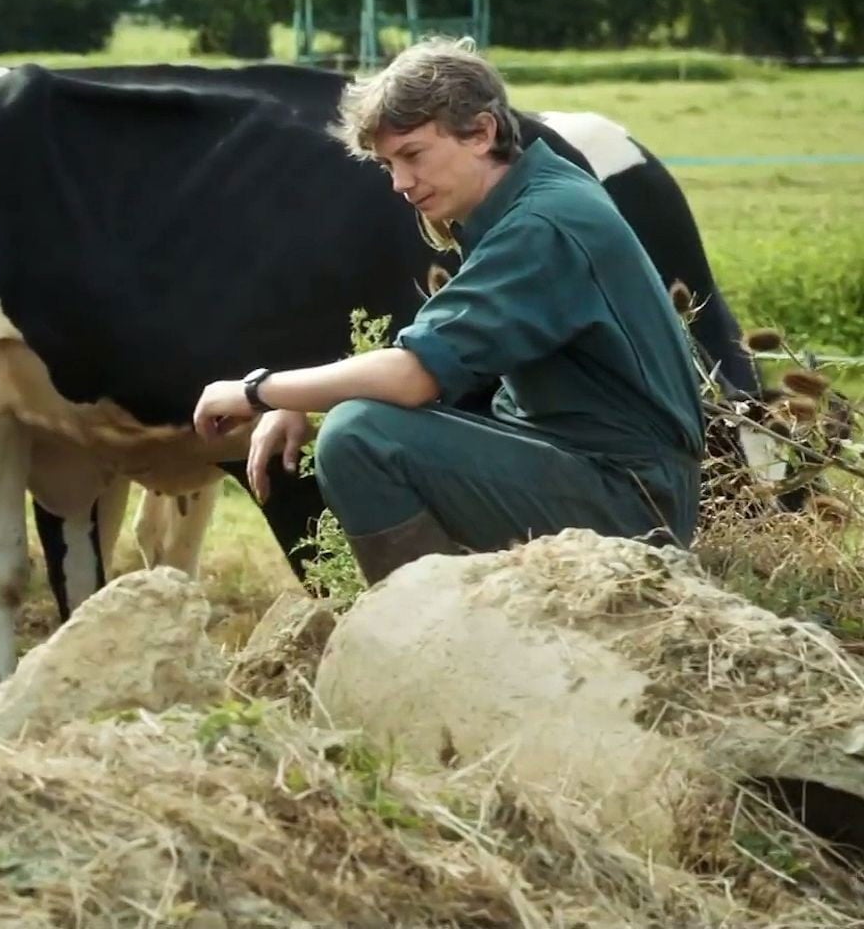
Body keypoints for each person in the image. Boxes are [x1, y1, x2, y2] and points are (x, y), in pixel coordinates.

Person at [190, 37, 705, 585]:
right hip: (597, 470)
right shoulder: (537, 194)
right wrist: (303, 400)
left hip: (630, 499)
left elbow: (415, 376)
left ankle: (426, 631)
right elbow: (448, 356)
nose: (399, 184)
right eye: (388, 163)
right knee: (360, 420)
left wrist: (258, 390)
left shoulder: (543, 225)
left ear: (481, 132)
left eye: (412, 155)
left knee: (361, 437)